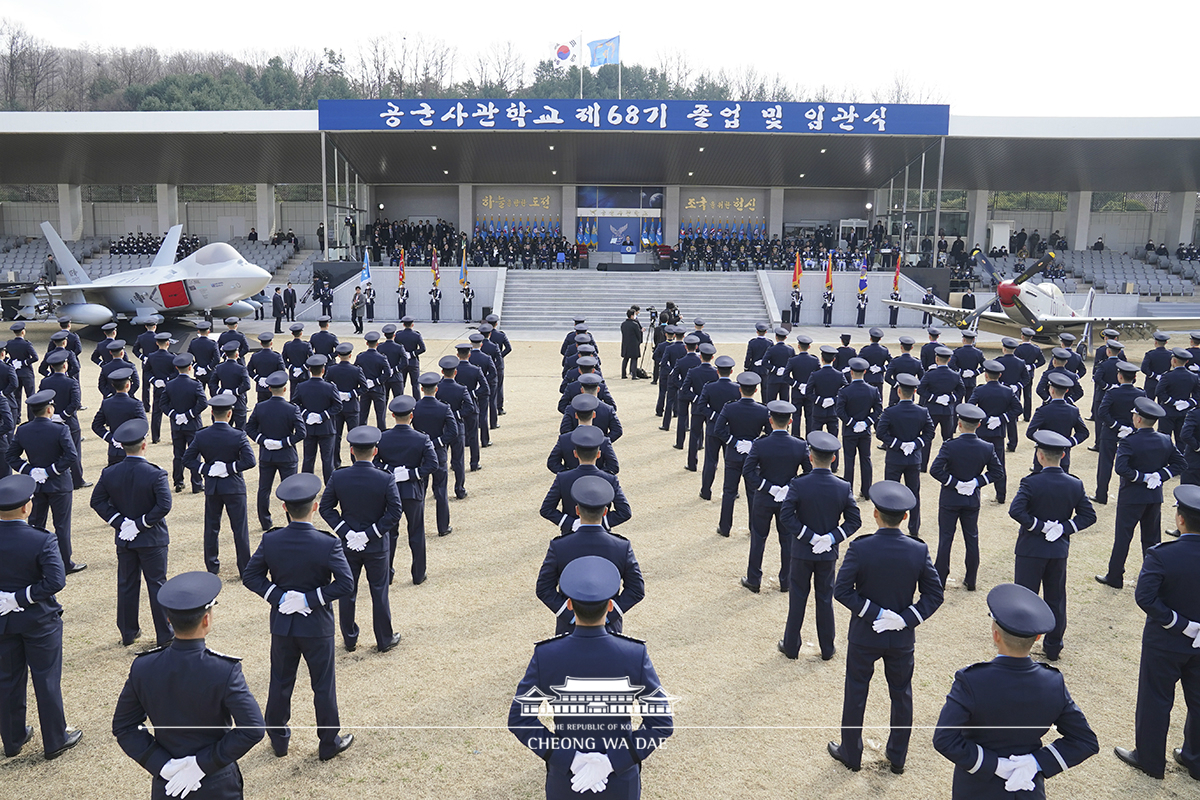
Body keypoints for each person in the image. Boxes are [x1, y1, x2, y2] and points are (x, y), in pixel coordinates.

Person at [508, 556, 672, 797]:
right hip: (620, 782)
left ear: (570, 605)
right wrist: (612, 763)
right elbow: (660, 724)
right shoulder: (634, 654)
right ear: (610, 606)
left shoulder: (547, 655)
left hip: (567, 780)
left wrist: (570, 759)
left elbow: (520, 720)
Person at [932, 583, 1098, 797]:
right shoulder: (1052, 682)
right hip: (1027, 789)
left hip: (976, 789)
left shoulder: (971, 680)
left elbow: (945, 739)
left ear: (995, 635)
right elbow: (1085, 741)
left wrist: (993, 765)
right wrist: (1036, 762)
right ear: (1038, 638)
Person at [112, 571, 265, 799]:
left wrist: (161, 765)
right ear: (206, 619)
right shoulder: (224, 670)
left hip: (168, 785)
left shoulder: (143, 667)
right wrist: (202, 764)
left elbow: (124, 727)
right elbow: (253, 729)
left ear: (168, 620)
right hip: (217, 784)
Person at [829, 480, 943, 774]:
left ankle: (851, 753)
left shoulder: (861, 547)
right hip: (901, 638)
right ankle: (898, 756)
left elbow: (841, 590)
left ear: (875, 514)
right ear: (905, 517)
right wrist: (903, 618)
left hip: (865, 634)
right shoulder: (918, 550)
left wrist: (874, 613)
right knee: (901, 695)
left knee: (856, 692)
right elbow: (934, 594)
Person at [243, 473, 355, 761]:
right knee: (323, 685)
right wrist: (309, 600)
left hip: (283, 624)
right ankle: (328, 742)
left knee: (280, 682)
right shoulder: (328, 543)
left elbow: (251, 576)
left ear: (284, 509)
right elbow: (345, 584)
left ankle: (279, 740)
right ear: (315, 507)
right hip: (316, 625)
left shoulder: (272, 540)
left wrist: (282, 598)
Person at [1113, 483, 1200, 779]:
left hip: (1166, 640)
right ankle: (1195, 759)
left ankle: (1150, 760)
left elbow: (1145, 597)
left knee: (1155, 699)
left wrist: (1180, 624)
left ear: (1180, 519)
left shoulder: (1163, 554)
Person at [0, 473, 81, 760]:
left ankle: (12, 739)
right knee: (46, 678)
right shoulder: (41, 539)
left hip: (3, 622)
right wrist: (20, 598)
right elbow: (55, 581)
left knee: (7, 680)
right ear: (26, 508)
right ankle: (55, 739)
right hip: (38, 620)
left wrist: (7, 600)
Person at [1009, 430, 1097, 661]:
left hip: (1030, 549)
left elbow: (1016, 511)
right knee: (1055, 598)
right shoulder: (1074, 484)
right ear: (1064, 455)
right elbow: (1088, 516)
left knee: (1025, 597)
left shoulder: (1031, 482)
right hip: (1057, 550)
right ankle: (1054, 645)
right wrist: (1064, 528)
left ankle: (1021, 641)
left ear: (1040, 455)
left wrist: (1039, 526)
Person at [319, 426, 403, 653]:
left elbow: (326, 509)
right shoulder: (385, 478)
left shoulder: (339, 476)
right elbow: (394, 513)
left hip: (348, 545)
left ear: (351, 451)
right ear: (375, 451)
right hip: (376, 545)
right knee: (379, 591)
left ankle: (349, 638)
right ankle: (384, 639)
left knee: (348, 592)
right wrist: (370, 534)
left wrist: (347, 532)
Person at [90, 419, 173, 648]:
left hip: (126, 538)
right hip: (152, 538)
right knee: (157, 584)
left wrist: (122, 523)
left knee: (126, 584)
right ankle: (165, 635)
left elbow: (97, 501)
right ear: (144, 444)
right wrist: (141, 523)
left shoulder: (110, 473)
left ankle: (128, 632)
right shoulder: (155, 473)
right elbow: (164, 505)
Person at [778, 432, 861, 660]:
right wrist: (830, 538)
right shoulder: (843, 486)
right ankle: (827, 648)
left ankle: (791, 646)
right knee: (824, 599)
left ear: (811, 457)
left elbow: (787, 516)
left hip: (802, 551)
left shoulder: (799, 484)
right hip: (827, 553)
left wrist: (808, 536)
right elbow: (855, 520)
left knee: (798, 598)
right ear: (833, 459)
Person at [535, 476, 644, 635]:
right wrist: (609, 616)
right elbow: (636, 590)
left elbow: (544, 588)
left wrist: (569, 615)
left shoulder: (559, 546)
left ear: (577, 511)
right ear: (605, 512)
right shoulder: (621, 546)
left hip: (569, 629)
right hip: (609, 630)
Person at [1097, 398, 1185, 589]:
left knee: (1123, 538)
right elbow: (1180, 463)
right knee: (1152, 540)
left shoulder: (1129, 441)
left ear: (1137, 419)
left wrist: (1142, 477)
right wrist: (1159, 476)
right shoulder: (1164, 439)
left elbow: (1121, 468)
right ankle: (1154, 578)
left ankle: (1115, 577)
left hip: (1131, 498)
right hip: (1153, 497)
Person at [930, 404, 1005, 591]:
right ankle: (971, 579)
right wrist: (977, 482)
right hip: (971, 499)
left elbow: (935, 470)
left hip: (950, 498)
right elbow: (997, 472)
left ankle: (940, 578)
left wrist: (955, 483)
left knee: (945, 538)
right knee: (971, 538)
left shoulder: (950, 445)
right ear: (979, 425)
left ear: (959, 424)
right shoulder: (987, 447)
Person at [182, 395, 256, 578]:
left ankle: (212, 566)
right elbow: (250, 461)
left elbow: (187, 459)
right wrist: (230, 468)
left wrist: (206, 469)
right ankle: (244, 567)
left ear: (213, 413)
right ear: (230, 414)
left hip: (213, 486)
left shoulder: (201, 435)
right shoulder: (238, 435)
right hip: (234, 487)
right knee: (240, 529)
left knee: (212, 528)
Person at [8, 390, 81, 575]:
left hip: (35, 484)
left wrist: (31, 471)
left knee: (35, 525)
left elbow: (11, 456)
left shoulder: (23, 429)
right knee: (62, 526)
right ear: (50, 409)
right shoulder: (60, 429)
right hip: (59, 484)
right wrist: (50, 471)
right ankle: (65, 563)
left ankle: (33, 563)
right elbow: (71, 455)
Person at [742, 401, 812, 593]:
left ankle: (754, 579)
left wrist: (768, 487)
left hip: (764, 498)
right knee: (787, 539)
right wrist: (789, 488)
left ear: (771, 421)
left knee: (758, 538)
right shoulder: (800, 445)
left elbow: (748, 472)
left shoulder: (760, 444)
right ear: (790, 421)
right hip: (788, 500)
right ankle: (786, 581)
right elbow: (808, 473)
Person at [376, 395, 438, 585]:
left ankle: (387, 574)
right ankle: (418, 574)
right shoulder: (421, 438)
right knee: (416, 533)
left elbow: (375, 461)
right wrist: (412, 474)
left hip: (390, 491)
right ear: (411, 415)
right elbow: (432, 464)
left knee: (390, 535)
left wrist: (391, 471)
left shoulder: (383, 437)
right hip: (413, 492)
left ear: (393, 415)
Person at [244, 372, 306, 531]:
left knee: (264, 489)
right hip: (286, 455)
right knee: (291, 490)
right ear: (285, 389)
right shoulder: (292, 409)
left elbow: (249, 428)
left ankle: (265, 522)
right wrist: (283, 443)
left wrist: (263, 440)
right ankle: (292, 521)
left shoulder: (260, 407)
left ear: (269, 388)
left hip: (267, 454)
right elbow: (301, 433)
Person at [875, 374, 934, 537]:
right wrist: (915, 444)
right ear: (915, 391)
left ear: (899, 391)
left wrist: (897, 444)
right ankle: (914, 528)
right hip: (913, 458)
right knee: (914, 493)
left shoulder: (891, 411)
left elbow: (881, 433)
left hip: (894, 458)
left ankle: (887, 525)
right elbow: (930, 433)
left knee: (889, 494)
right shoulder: (922, 411)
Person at [713, 372, 770, 538]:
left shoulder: (730, 407)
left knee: (729, 492)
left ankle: (725, 528)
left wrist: (735, 442)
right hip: (753, 456)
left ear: (740, 389)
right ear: (756, 389)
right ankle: (754, 528)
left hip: (733, 454)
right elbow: (769, 433)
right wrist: (752, 444)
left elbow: (719, 430)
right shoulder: (762, 410)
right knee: (753, 493)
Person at [1093, 361, 1145, 504]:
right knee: (1130, 466)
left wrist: (1116, 426)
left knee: (1105, 465)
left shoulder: (1113, 392)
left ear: (1119, 377)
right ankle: (1127, 497)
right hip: (1132, 433)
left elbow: (1102, 412)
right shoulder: (1141, 393)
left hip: (1110, 432)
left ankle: (1101, 495)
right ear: (1134, 377)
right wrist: (1131, 428)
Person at [836, 358, 881, 497]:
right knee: (865, 459)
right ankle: (867, 491)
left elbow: (840, 411)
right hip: (865, 431)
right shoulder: (873, 390)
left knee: (849, 461)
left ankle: (848, 491)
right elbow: (878, 410)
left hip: (850, 431)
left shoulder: (845, 391)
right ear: (865, 372)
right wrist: (866, 422)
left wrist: (852, 423)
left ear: (851, 372)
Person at [294, 355, 343, 482]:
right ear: (323, 370)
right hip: (326, 428)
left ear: (309, 370)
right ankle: (329, 487)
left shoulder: (301, 386)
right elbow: (338, 406)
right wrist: (323, 416)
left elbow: (295, 405)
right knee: (327, 460)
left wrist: (306, 414)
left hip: (309, 427)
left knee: (308, 458)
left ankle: (306, 485)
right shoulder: (331, 387)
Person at [620, 309, 643, 380]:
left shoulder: (623, 324)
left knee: (625, 359)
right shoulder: (635, 324)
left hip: (625, 343)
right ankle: (634, 375)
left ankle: (623, 374)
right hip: (634, 344)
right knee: (634, 359)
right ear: (632, 316)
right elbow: (638, 334)